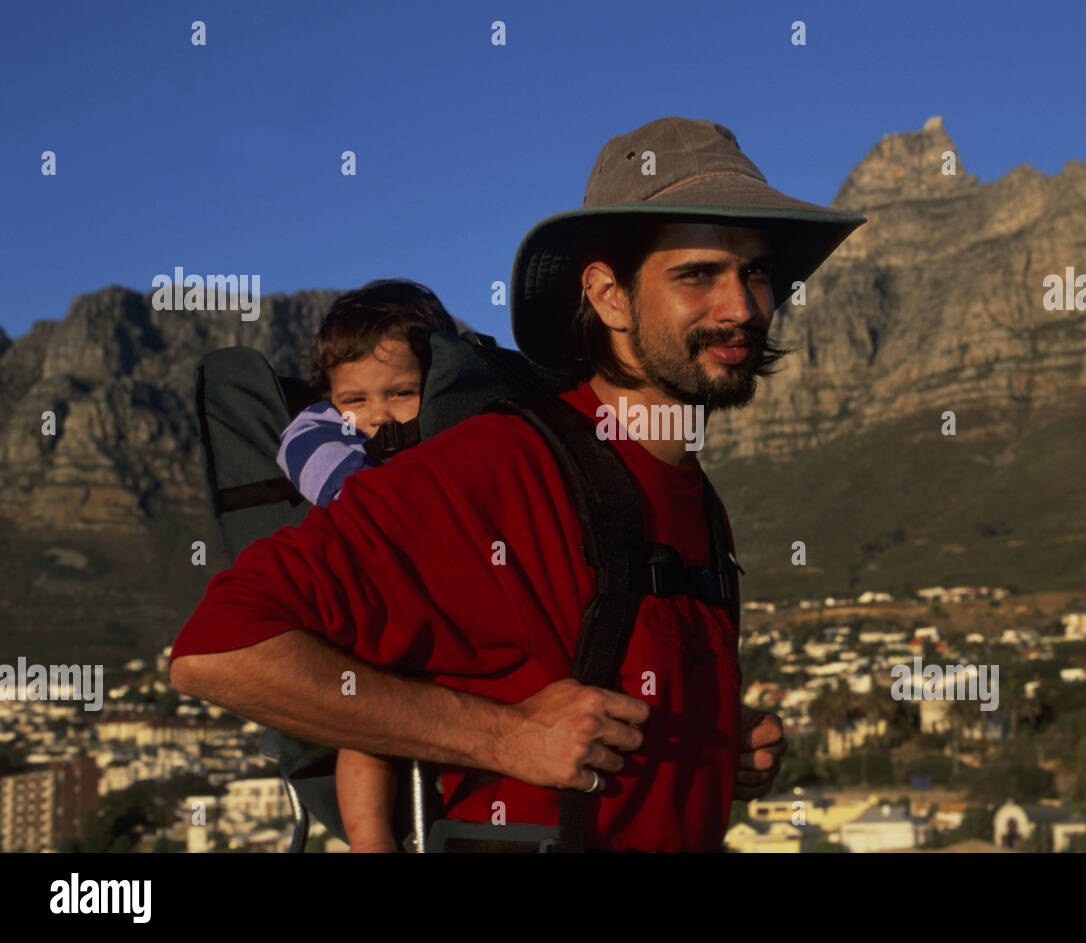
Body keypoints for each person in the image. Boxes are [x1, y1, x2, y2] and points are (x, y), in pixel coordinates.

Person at [170, 116, 866, 852]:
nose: (741, 306)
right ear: (609, 296)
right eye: (698, 273)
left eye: (754, 271)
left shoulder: (700, 502)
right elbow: (217, 650)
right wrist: (504, 736)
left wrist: (719, 751)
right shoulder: (499, 463)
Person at [277, 278, 455, 852]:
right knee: (370, 727)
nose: (377, 415)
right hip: (376, 619)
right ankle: (371, 841)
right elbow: (337, 486)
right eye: (355, 399)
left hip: (452, 611)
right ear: (330, 396)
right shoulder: (317, 431)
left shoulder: (460, 423)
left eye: (401, 393)